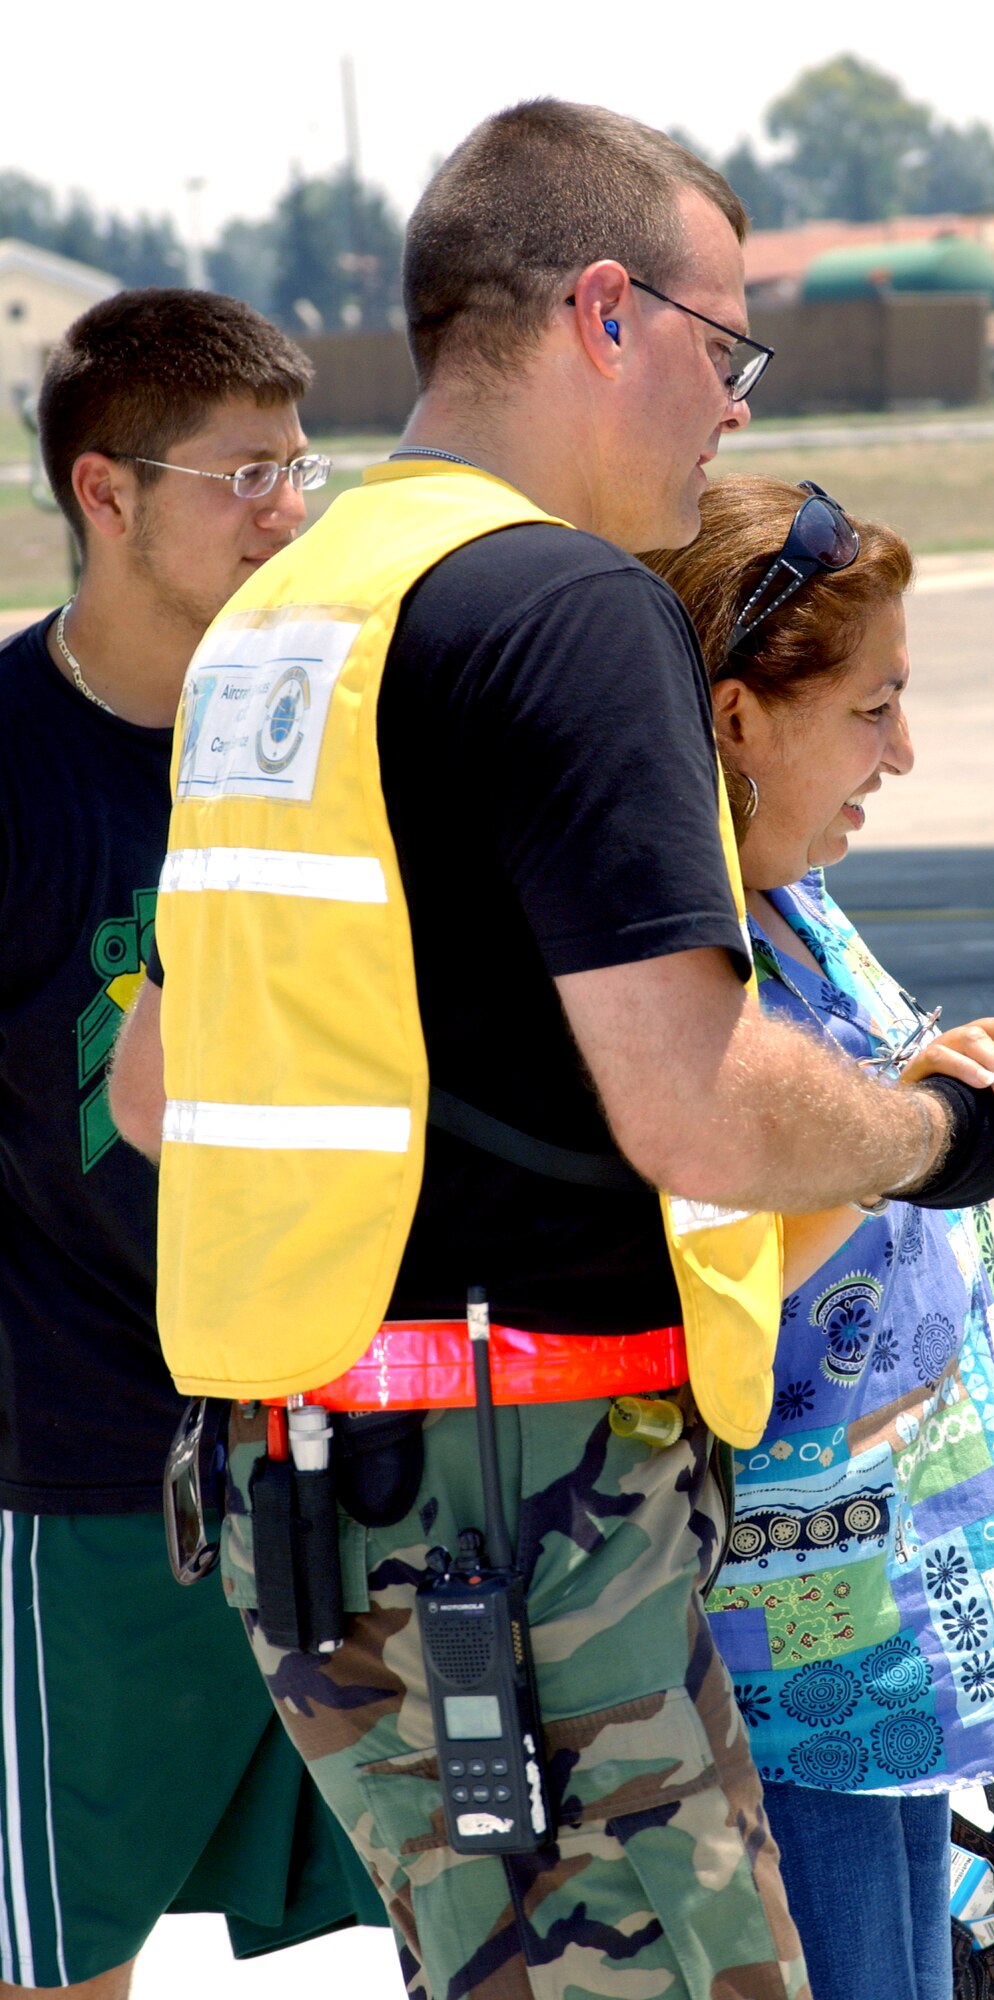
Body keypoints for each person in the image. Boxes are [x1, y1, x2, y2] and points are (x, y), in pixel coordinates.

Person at [111, 103, 994, 2000]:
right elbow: (693, 1096)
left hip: (309, 1489)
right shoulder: (562, 607)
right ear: (607, 313)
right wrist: (930, 1133)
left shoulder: (285, 619)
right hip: (517, 1492)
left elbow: (155, 1094)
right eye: (728, 351)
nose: (733, 409)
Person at [643, 475, 994, 2000]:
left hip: (885, 1621)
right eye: (871, 709)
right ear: (737, 720)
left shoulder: (800, 905)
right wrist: (898, 1147)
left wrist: (950, 1091)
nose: (904, 754)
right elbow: (709, 1261)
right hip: (789, 1647)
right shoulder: (672, 965)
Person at [0, 288, 388, 1999]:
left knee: (480, 1929)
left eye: (298, 467)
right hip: (78, 1478)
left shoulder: (325, 737)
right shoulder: (7, 760)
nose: (284, 513)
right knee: (60, 1964)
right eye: (242, 474)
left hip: (344, 1451)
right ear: (105, 491)